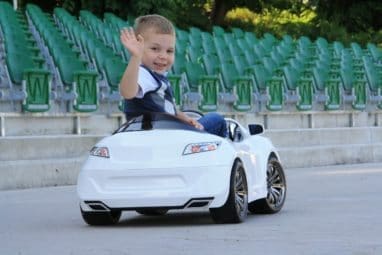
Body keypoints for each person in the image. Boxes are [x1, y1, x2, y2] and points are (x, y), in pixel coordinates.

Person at [119, 14, 227, 137]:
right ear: (139, 46)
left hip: (169, 132)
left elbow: (168, 109)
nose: (163, 56)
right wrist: (135, 57)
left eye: (169, 51)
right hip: (162, 137)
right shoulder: (143, 74)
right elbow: (127, 92)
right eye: (155, 49)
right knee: (216, 120)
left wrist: (185, 118)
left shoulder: (157, 76)